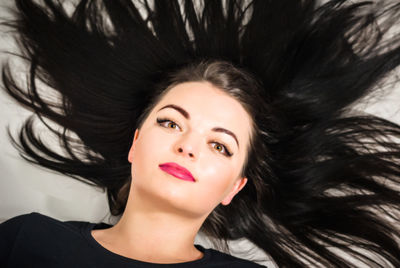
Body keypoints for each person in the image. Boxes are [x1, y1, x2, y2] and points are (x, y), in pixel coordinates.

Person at [1, 0, 400, 267]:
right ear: (136, 143)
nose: (187, 145)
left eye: (219, 145)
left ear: (234, 187)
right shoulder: (26, 240)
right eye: (171, 122)